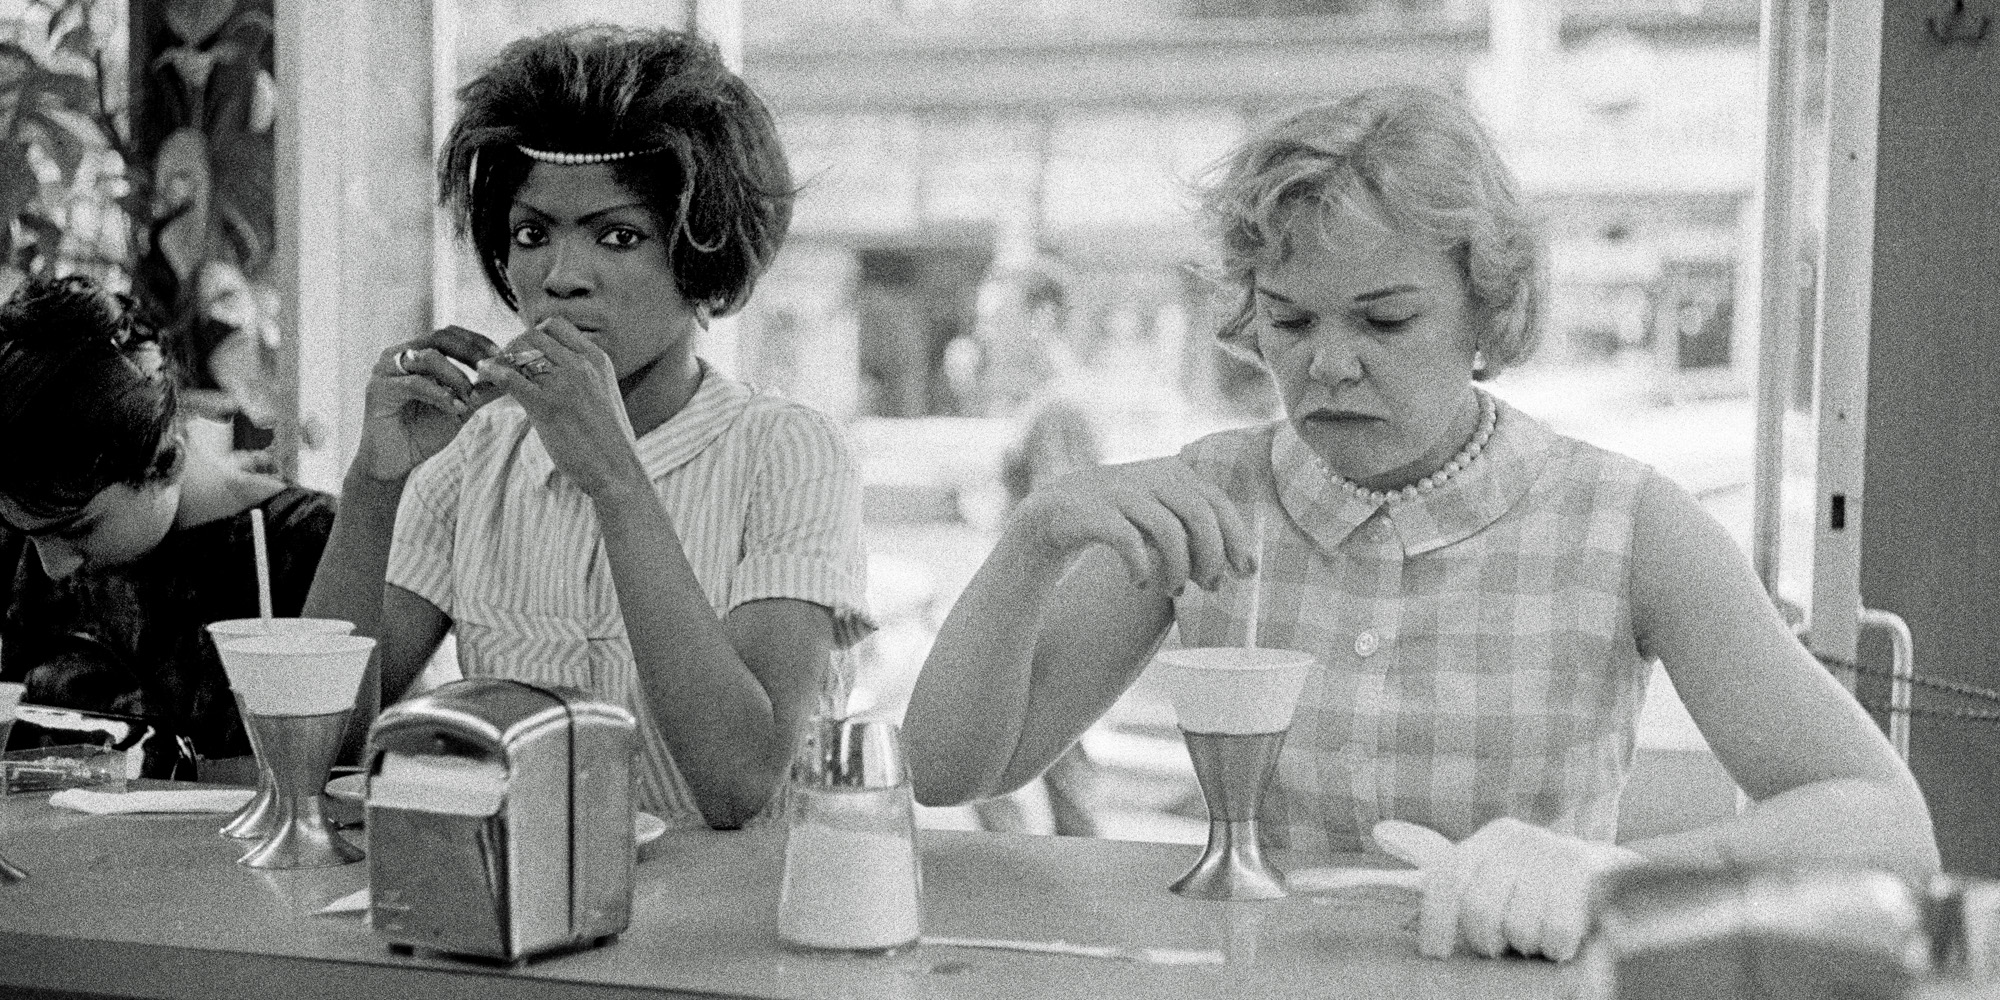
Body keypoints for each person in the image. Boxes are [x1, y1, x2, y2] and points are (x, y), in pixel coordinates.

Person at [903, 85, 1938, 961]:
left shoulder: (1622, 524)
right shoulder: (1210, 500)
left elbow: (1883, 828)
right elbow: (955, 772)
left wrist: (1607, 876)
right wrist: (1034, 541)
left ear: (1488, 309)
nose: (1328, 362)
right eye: (1289, 319)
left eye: (1384, 319)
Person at [304, 25, 871, 832]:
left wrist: (614, 477)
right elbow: (323, 748)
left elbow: (739, 781)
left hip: (738, 937)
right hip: (515, 917)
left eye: (618, 236)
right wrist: (373, 488)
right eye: (532, 235)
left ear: (702, 252)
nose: (560, 278)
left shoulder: (788, 453)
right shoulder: (473, 456)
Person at [0, 274, 335, 776]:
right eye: (30, 534)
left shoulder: (310, 545)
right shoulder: (27, 532)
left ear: (166, 455)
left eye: (78, 530)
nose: (49, 566)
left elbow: (346, 779)